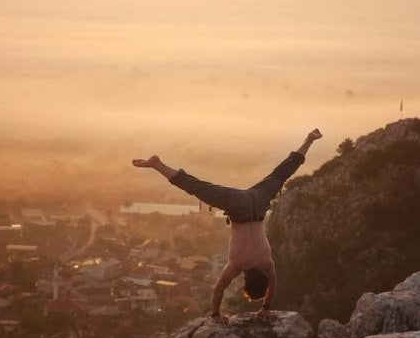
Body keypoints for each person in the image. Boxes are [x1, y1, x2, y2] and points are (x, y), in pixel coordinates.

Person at [132, 129, 323, 324]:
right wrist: (215, 315)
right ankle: (157, 165)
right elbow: (219, 289)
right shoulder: (237, 265)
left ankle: (309, 140)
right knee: (199, 188)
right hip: (238, 208)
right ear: (245, 283)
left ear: (262, 279)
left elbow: (272, 285)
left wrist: (266, 307)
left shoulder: (268, 264)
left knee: (281, 173)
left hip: (258, 202)